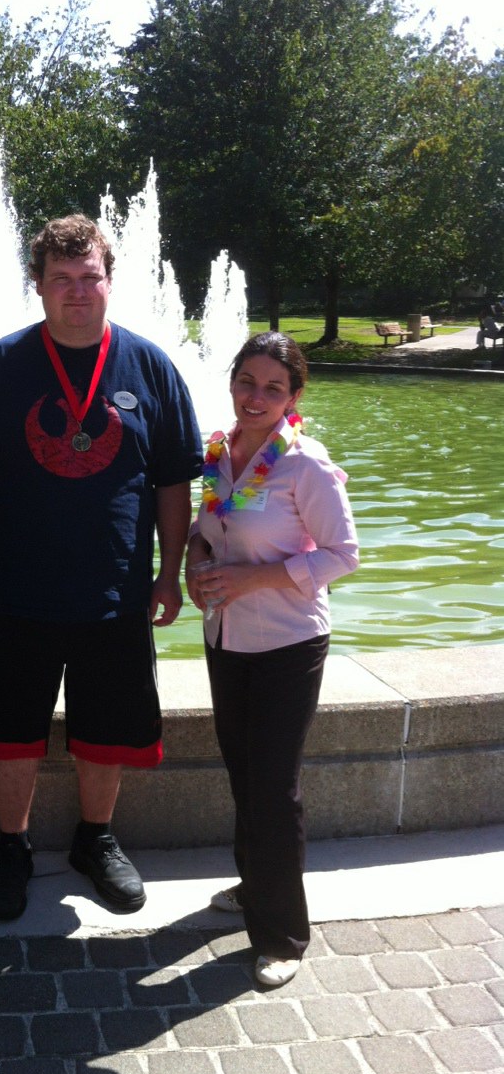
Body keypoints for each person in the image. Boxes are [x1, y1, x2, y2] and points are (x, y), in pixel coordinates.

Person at [0, 214, 202, 921]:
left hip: (115, 592)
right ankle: (12, 846)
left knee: (108, 727)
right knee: (11, 727)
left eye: (90, 277)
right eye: (62, 280)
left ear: (110, 281)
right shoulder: (0, 367)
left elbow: (175, 482)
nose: (77, 292)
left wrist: (169, 572)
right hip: (18, 589)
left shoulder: (149, 367)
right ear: (39, 287)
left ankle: (96, 839)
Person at [186, 331, 358, 987]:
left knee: (275, 787)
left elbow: (343, 555)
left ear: (293, 398)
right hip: (226, 639)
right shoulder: (214, 453)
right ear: (232, 382)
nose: (256, 397)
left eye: (273, 388)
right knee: (242, 772)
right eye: (247, 382)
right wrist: (194, 567)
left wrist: (255, 581)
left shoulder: (304, 464)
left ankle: (283, 933)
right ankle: (254, 884)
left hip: (289, 644)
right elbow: (207, 534)